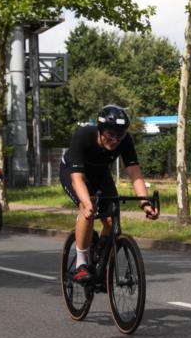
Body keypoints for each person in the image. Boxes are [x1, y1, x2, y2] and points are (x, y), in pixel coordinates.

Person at [60, 105, 159, 283]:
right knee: (87, 207)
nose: (114, 140)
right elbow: (77, 180)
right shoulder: (83, 136)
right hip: (73, 172)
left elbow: (135, 173)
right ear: (100, 129)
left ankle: (100, 256)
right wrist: (88, 204)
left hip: (100, 173)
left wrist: (145, 202)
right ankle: (81, 265)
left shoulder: (125, 140)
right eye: (110, 135)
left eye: (119, 136)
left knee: (112, 219)